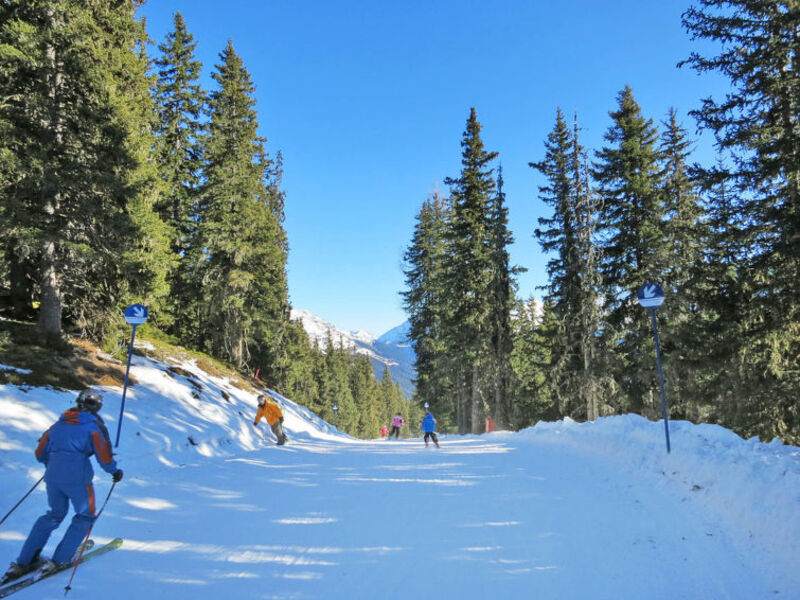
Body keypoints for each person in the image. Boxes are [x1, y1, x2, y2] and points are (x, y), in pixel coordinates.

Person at [2, 389, 122, 582]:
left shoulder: (56, 426)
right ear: (97, 407)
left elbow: (40, 453)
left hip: (53, 477)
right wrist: (114, 471)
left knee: (54, 513)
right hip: (78, 479)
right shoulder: (93, 427)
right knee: (85, 516)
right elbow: (104, 456)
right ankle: (60, 560)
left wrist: (54, 464)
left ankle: (24, 562)